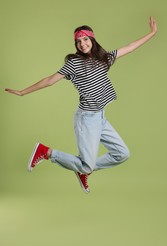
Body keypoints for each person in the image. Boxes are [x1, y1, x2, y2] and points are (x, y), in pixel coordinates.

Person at [5, 16, 157, 193]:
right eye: (78, 42)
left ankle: (85, 169)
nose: (82, 44)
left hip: (100, 117)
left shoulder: (104, 59)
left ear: (92, 39)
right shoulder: (74, 63)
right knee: (86, 165)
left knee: (122, 154)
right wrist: (23, 92)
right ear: (76, 46)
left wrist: (152, 33)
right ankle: (46, 152)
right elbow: (49, 80)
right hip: (86, 119)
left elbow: (129, 47)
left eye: (85, 39)